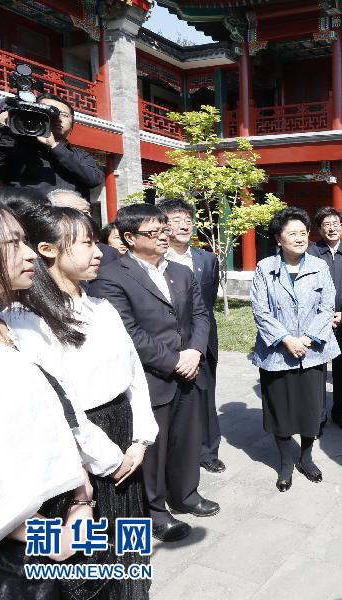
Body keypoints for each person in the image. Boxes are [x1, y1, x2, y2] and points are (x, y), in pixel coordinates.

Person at [2, 205, 157, 600]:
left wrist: (139, 439)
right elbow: (60, 403)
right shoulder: (25, 320)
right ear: (49, 249)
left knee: (131, 545)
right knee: (88, 563)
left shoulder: (102, 307)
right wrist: (106, 457)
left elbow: (134, 377)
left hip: (125, 436)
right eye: (87, 243)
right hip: (85, 454)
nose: (99, 251)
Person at [89, 203, 217, 543]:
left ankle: (186, 495)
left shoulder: (181, 272)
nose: (165, 236)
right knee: (154, 448)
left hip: (190, 368)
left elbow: (201, 315)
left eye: (165, 230)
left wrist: (194, 351)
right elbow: (128, 332)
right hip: (152, 376)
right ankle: (156, 511)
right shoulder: (112, 277)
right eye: (155, 232)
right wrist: (174, 361)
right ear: (130, 238)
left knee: (188, 440)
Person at [0, 203, 93, 597]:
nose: (31, 253)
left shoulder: (5, 323)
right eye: (14, 242)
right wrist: (42, 535)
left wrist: (76, 487)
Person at [251, 207, 339, 492]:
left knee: (311, 410)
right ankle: (286, 461)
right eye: (293, 233)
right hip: (277, 352)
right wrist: (286, 339)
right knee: (280, 411)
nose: (300, 238)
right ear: (279, 238)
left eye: (303, 232)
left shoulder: (319, 266)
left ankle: (306, 456)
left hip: (312, 352)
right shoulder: (265, 268)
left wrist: (309, 338)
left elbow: (327, 307)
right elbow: (260, 310)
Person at [159, 199, 225, 474]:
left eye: (187, 218)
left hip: (204, 339)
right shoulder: (158, 259)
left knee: (205, 397)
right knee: (172, 399)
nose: (184, 224)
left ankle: (208, 450)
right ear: (163, 225)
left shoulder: (206, 259)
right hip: (168, 342)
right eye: (176, 219)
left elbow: (207, 303)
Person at [307, 206, 342, 433]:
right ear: (319, 229)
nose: (331, 228)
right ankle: (318, 416)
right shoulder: (311, 251)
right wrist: (322, 315)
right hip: (317, 322)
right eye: (326, 224)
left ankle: (341, 413)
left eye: (335, 223)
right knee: (318, 370)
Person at [0, 94, 102, 200]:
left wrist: (55, 147)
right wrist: (3, 131)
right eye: (51, 112)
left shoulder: (80, 155)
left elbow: (94, 179)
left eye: (64, 115)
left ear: (72, 123)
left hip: (70, 214)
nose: (58, 118)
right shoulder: (16, 146)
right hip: (29, 214)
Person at [47, 188, 119, 267]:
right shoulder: (38, 256)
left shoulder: (108, 255)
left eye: (87, 212)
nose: (87, 218)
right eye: (78, 213)